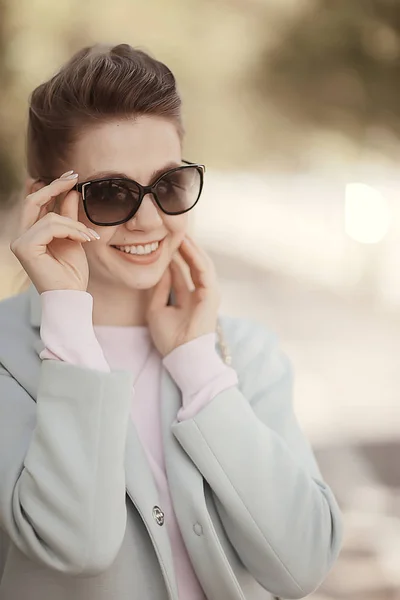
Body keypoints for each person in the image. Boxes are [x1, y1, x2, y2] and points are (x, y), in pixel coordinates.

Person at [0, 43, 342, 600]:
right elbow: (75, 545)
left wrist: (198, 368)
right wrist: (67, 317)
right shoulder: (5, 359)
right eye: (110, 193)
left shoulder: (243, 353)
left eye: (168, 185)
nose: (149, 221)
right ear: (46, 203)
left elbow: (303, 563)